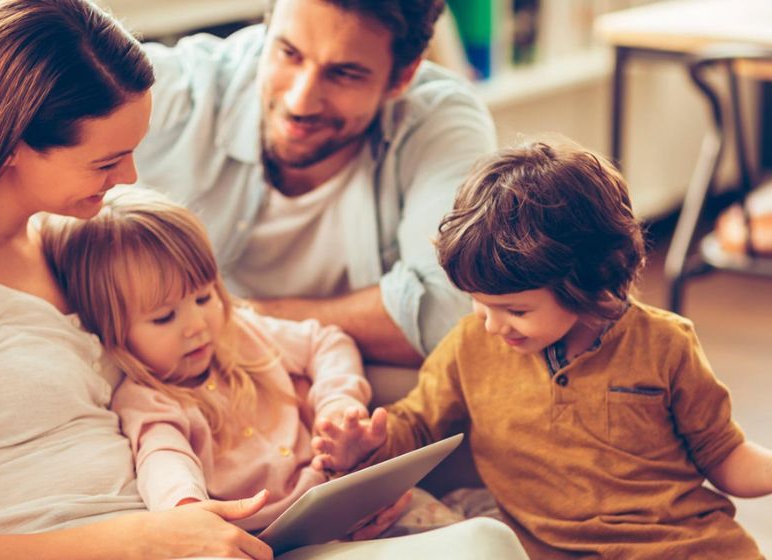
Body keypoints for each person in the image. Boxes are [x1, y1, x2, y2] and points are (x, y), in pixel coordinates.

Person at [0, 2, 526, 558]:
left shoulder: (75, 247)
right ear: (12, 143)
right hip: (148, 540)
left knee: (485, 542)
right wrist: (150, 537)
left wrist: (342, 475)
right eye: (107, 162)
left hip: (221, 531)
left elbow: (192, 391)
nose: (132, 176)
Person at [311, 141, 772, 559]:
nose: (491, 324)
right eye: (478, 302)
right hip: (543, 550)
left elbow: (725, 457)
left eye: (515, 310)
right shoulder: (469, 345)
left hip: (686, 544)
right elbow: (416, 424)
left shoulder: (666, 343)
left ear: (589, 280)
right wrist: (369, 445)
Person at [132, 0, 497, 366]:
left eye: (344, 74)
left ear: (402, 77)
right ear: (266, 27)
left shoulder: (439, 121)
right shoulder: (171, 89)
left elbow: (454, 313)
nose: (300, 102)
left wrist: (229, 318)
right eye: (289, 53)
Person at [41, 186, 373, 530]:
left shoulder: (241, 332)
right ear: (113, 333)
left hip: (336, 498)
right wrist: (185, 505)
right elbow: (164, 458)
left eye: (203, 298)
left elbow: (327, 341)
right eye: (164, 317)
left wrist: (336, 403)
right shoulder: (148, 401)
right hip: (268, 535)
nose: (197, 325)